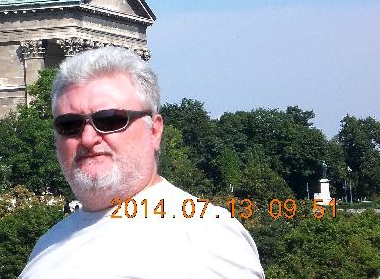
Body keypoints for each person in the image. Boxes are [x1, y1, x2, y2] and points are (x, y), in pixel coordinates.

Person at [19, 47, 264, 278]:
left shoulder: (205, 235)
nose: (88, 138)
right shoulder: (49, 243)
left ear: (154, 130)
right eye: (69, 125)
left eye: (110, 120)